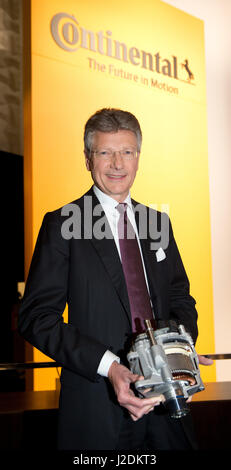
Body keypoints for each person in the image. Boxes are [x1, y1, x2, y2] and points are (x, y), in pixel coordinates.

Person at [18, 108, 212, 451]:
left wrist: (180, 346)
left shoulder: (158, 224)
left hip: (168, 403)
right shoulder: (62, 224)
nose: (117, 164)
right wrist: (110, 367)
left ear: (138, 157)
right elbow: (37, 318)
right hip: (99, 408)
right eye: (105, 152)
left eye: (127, 152)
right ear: (88, 160)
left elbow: (180, 297)